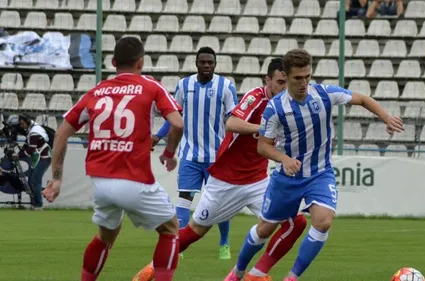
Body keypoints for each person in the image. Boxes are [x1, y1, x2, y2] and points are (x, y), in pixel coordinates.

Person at [224, 49, 405, 281]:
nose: (303, 83)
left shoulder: (324, 94)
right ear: (287, 77)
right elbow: (263, 146)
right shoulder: (275, 108)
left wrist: (386, 117)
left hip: (320, 173)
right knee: (265, 229)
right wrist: (284, 159)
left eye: (307, 76)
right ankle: (238, 272)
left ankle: (291, 278)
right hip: (287, 177)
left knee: (323, 222)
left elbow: (362, 99)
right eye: (298, 78)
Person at [132, 58, 307, 281]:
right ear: (268, 80)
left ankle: (256, 273)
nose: (285, 88)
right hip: (226, 181)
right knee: (195, 232)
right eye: (280, 82)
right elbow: (231, 123)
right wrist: (266, 128)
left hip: (258, 182)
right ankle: (152, 268)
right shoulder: (255, 97)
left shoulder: (290, 103)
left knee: (296, 222)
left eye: (288, 82)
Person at [42, 36, 184, 281]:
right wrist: (169, 153)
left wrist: (56, 179)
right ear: (140, 62)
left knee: (106, 237)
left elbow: (62, 133)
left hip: (101, 182)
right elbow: (178, 124)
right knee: (171, 229)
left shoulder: (96, 92)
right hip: (135, 180)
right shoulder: (150, 86)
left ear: (113, 61)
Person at [171, 46, 238, 260]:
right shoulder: (184, 85)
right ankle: (179, 246)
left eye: (210, 62)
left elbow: (234, 120)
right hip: (190, 155)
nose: (207, 65)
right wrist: (158, 136)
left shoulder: (226, 86)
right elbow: (174, 115)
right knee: (184, 198)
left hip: (216, 158)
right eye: (203, 62)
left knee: (220, 204)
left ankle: (224, 243)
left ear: (215, 64)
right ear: (196, 63)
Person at [13, 114, 52, 210]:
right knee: (31, 181)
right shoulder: (34, 129)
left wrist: (19, 155)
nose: (21, 126)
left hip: (44, 158)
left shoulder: (34, 132)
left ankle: (38, 205)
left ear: (27, 122)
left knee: (35, 180)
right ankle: (35, 203)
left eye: (22, 124)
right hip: (39, 158)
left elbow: (31, 149)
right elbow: (28, 147)